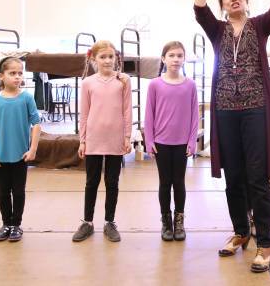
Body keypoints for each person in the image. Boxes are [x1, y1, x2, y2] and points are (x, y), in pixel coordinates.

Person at [194, 0, 270, 273]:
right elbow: (197, 7)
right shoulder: (217, 31)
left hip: (254, 109)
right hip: (224, 111)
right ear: (222, 4)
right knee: (233, 176)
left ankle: (264, 240)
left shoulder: (260, 25)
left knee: (256, 177)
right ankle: (240, 231)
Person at [72, 41, 132, 243]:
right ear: (94, 59)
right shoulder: (88, 83)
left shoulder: (123, 80)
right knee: (91, 182)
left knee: (112, 182)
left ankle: (110, 222)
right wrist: (82, 140)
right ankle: (87, 222)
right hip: (94, 139)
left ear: (116, 58)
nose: (107, 61)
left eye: (111, 56)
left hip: (115, 138)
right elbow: (84, 113)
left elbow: (127, 110)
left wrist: (126, 137)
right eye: (102, 57)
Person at [144, 41, 199, 242]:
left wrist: (192, 141)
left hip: (182, 144)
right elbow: (149, 115)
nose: (176, 59)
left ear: (184, 59)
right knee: (165, 183)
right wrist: (149, 140)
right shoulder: (155, 84)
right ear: (163, 58)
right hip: (162, 143)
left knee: (179, 182)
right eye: (172, 55)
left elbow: (195, 115)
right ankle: (166, 221)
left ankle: (179, 221)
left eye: (179, 55)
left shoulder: (190, 85)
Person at [0, 56, 41, 242]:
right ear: (2, 76)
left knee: (18, 192)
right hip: (0, 157)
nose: (17, 77)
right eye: (12, 73)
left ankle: (16, 224)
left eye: (20, 73)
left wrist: (32, 149)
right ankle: (6, 224)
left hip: (20, 156)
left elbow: (36, 124)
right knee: (2, 192)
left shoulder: (26, 98)